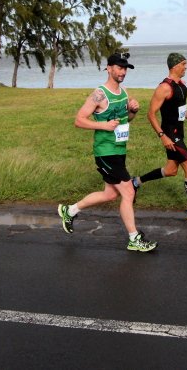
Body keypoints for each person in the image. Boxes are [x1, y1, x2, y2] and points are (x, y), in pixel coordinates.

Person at [57, 52, 157, 252]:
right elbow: (79, 120)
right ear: (109, 68)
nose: (123, 72)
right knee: (128, 192)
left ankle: (70, 210)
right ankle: (134, 238)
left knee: (110, 194)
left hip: (119, 149)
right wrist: (103, 126)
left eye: (125, 68)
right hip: (105, 152)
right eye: (119, 68)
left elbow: (126, 119)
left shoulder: (124, 92)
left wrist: (133, 111)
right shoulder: (99, 95)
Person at [133, 52, 187, 223]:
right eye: (183, 64)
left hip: (179, 133)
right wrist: (162, 136)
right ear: (174, 66)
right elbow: (151, 114)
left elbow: (181, 108)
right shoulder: (164, 87)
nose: (186, 67)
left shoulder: (181, 85)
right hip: (171, 135)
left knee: (171, 171)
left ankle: (135, 182)